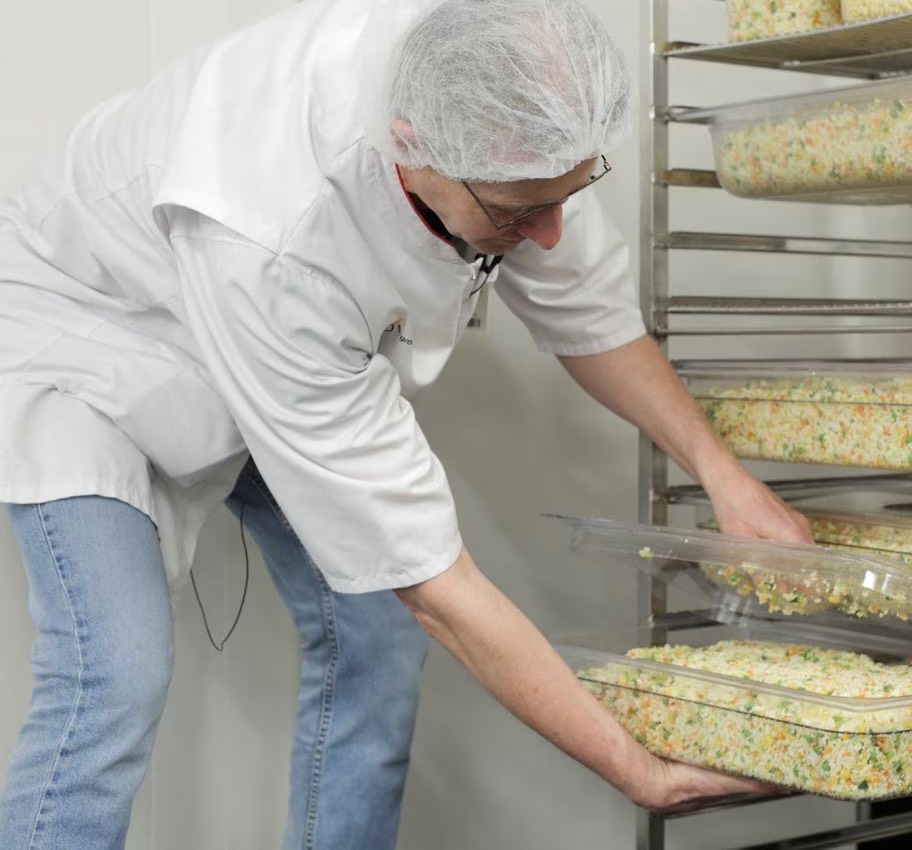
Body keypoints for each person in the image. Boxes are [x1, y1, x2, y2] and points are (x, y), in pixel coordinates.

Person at [0, 0, 813, 847]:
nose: (549, 233)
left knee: (376, 641)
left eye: (569, 193)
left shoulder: (504, 97)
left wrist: (727, 479)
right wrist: (637, 772)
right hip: (94, 343)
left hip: (270, 346)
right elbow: (435, 585)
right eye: (514, 214)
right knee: (115, 675)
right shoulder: (276, 232)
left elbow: (592, 314)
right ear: (410, 148)